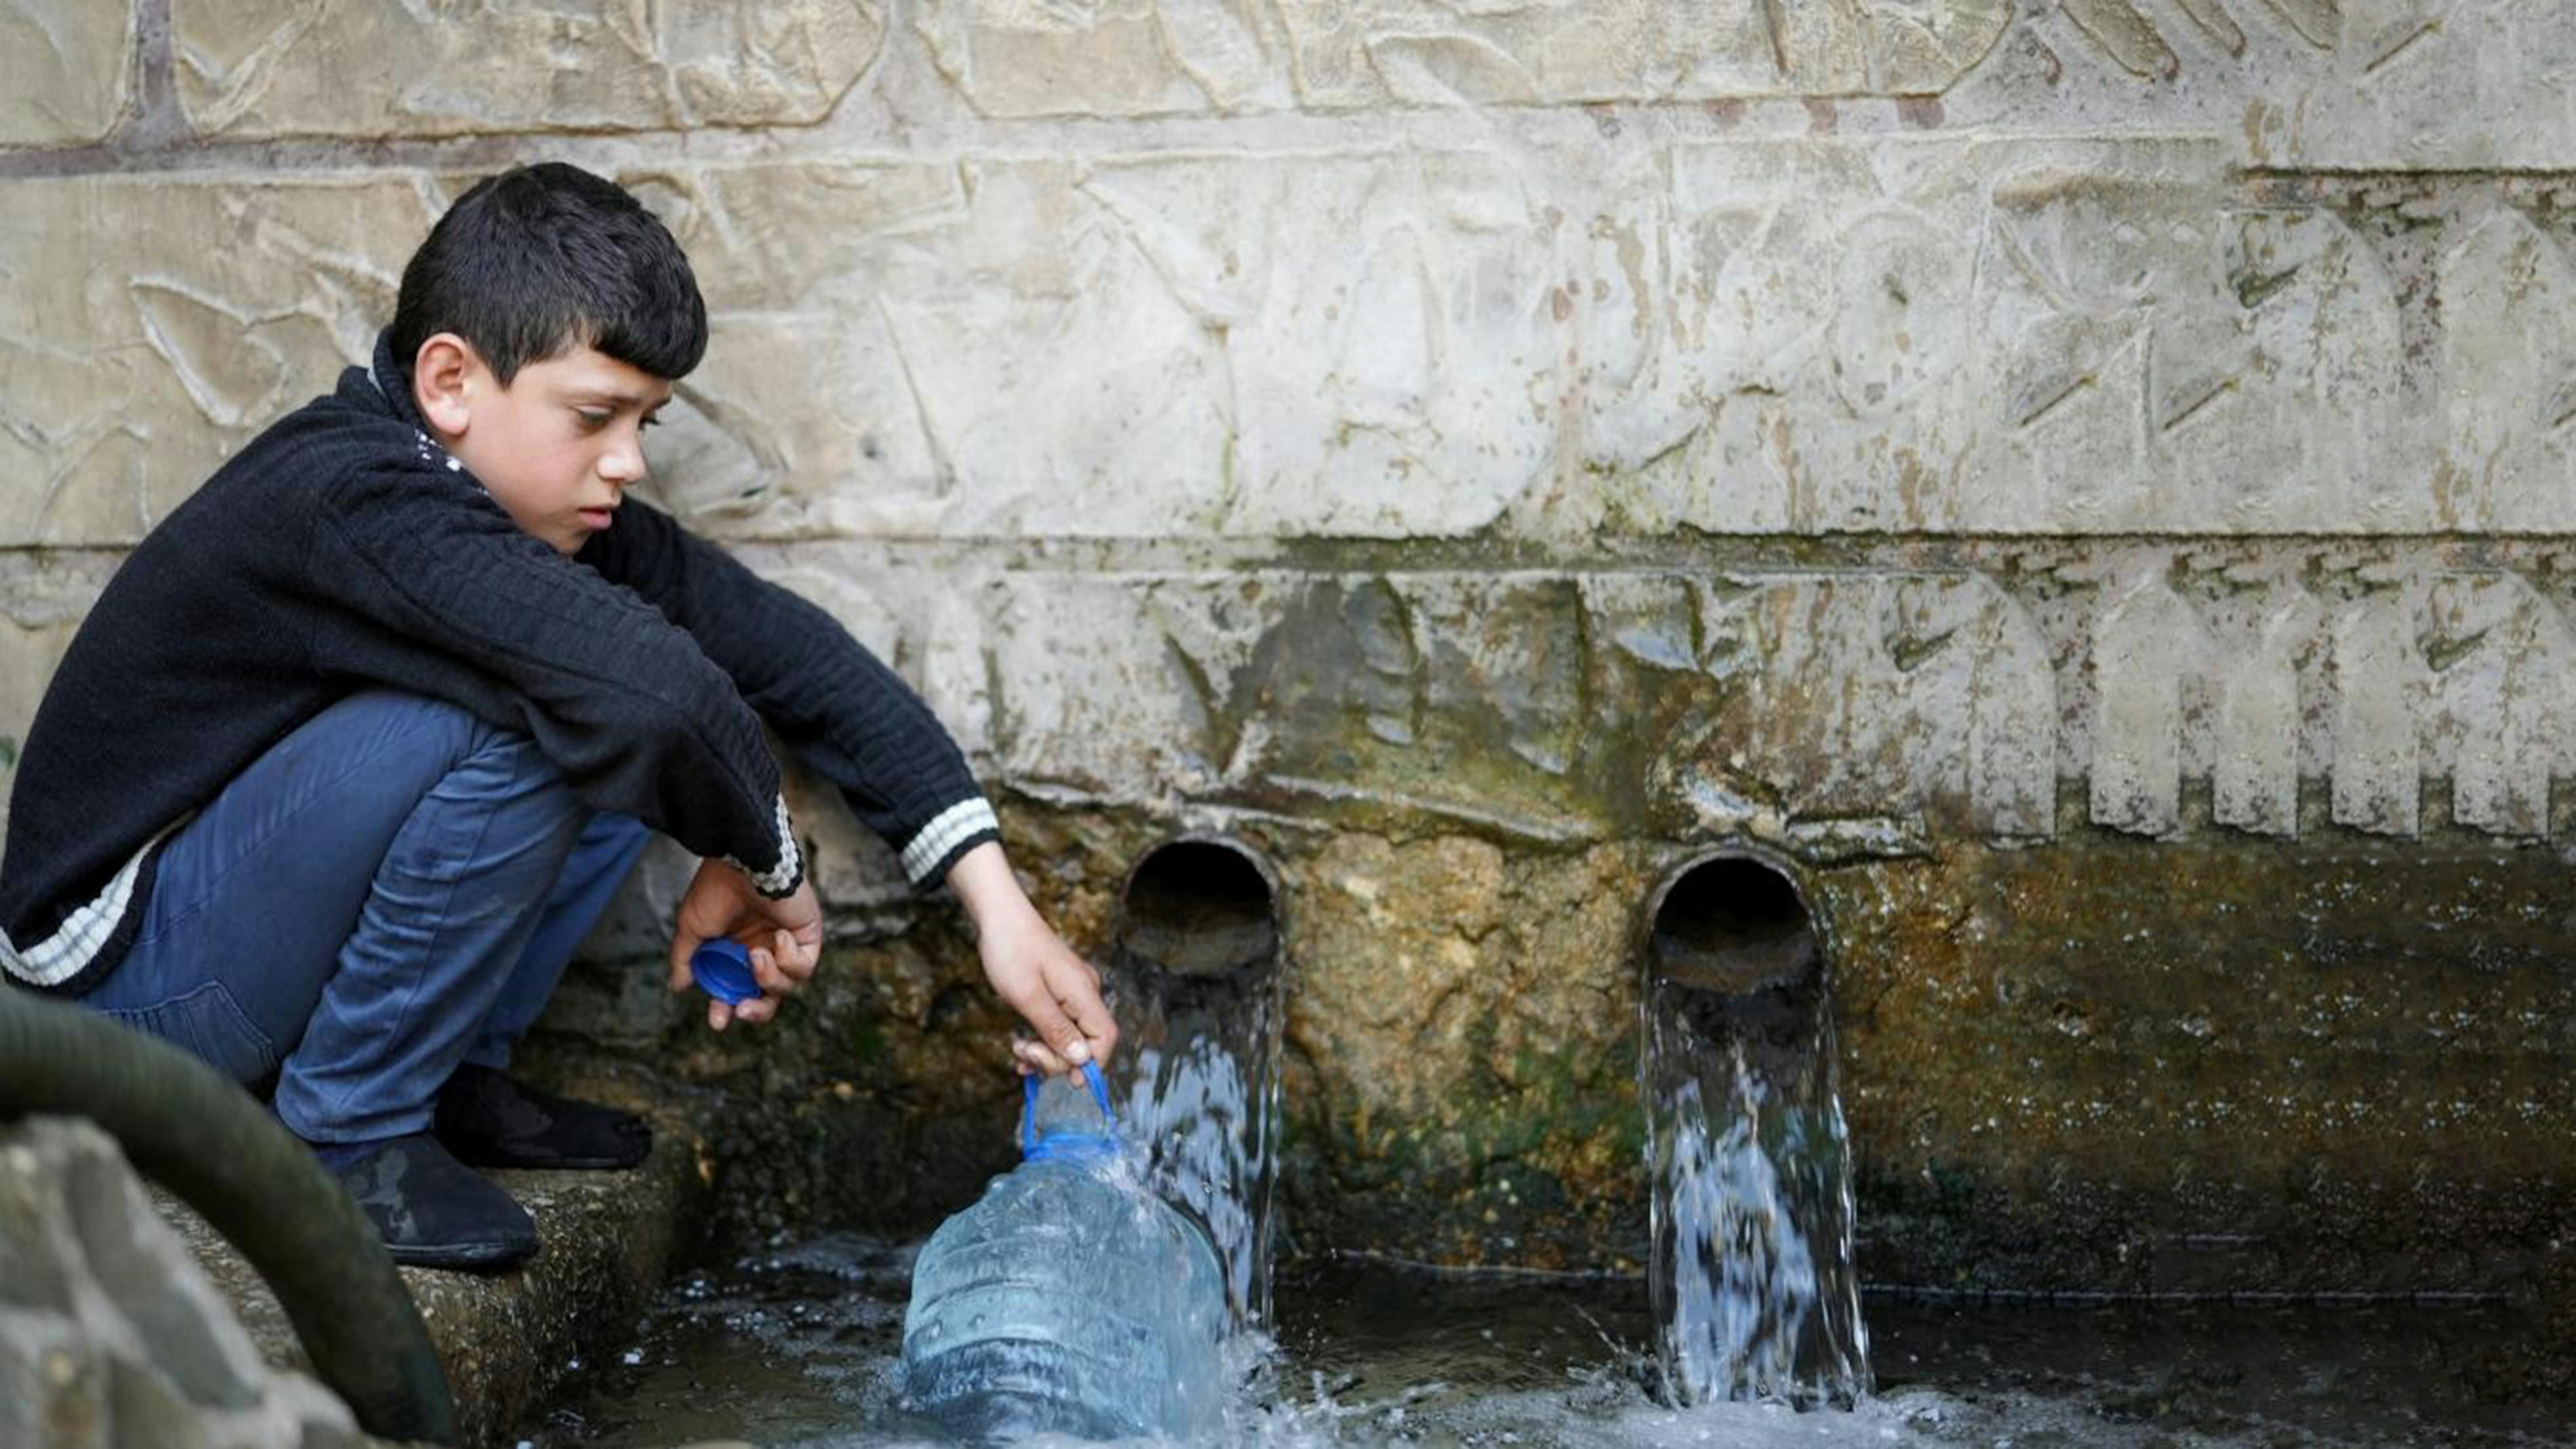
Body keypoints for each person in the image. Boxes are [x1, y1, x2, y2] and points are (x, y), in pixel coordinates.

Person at [0, 162, 1116, 1271]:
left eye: (646, 421)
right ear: (451, 384)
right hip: (121, 1003)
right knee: (579, 698)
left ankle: (446, 1082)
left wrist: (997, 906)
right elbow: (658, 700)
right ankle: (350, 1134)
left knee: (622, 673)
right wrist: (773, 867)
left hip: (223, 971)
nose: (627, 460)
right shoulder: (353, 494)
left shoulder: (552, 516)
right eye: (595, 415)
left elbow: (791, 657)